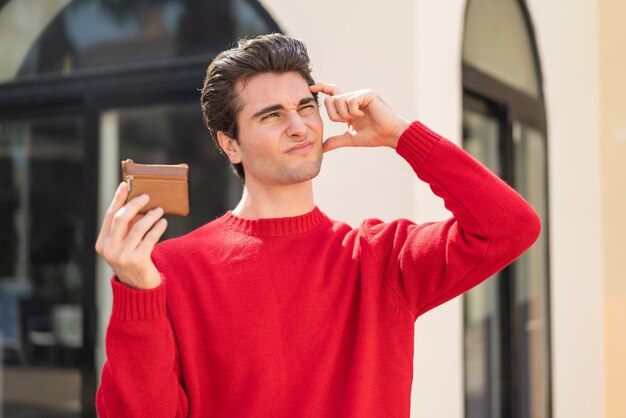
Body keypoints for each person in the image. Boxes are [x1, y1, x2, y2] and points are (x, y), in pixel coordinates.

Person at [94, 33, 540, 417]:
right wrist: (137, 292)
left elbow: (511, 227)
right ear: (230, 144)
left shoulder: (380, 258)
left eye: (306, 107)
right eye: (271, 115)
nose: (298, 127)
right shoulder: (170, 269)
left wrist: (401, 136)